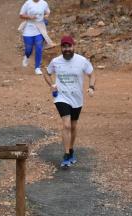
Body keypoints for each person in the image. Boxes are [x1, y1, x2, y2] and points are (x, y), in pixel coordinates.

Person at [43, 35, 96, 168]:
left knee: (73, 126)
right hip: (61, 97)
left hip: (77, 98)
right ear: (61, 48)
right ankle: (66, 154)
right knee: (66, 125)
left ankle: (71, 149)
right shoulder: (56, 61)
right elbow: (47, 72)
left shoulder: (82, 61)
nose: (67, 49)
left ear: (73, 47)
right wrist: (52, 85)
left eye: (69, 46)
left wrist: (91, 87)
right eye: (64, 46)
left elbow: (92, 74)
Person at [19, 0, 52, 74]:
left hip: (39, 28)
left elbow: (48, 11)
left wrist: (46, 16)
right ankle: (27, 56)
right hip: (28, 29)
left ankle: (37, 68)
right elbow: (21, 15)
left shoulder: (44, 3)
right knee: (28, 49)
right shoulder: (28, 3)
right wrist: (29, 17)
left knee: (39, 47)